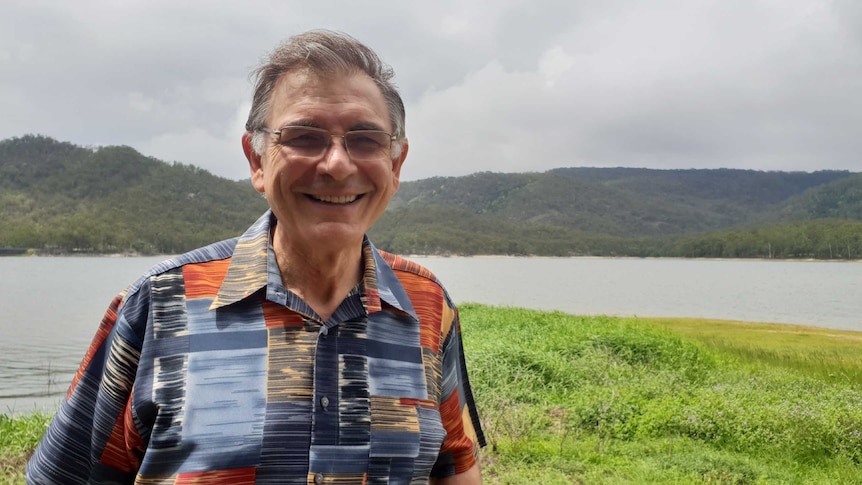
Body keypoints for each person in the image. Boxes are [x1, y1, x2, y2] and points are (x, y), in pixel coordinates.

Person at [26, 30, 485, 485]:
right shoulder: (160, 302)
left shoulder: (425, 304)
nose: (337, 164)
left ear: (396, 165)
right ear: (257, 161)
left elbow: (455, 468)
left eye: (366, 139)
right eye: (305, 137)